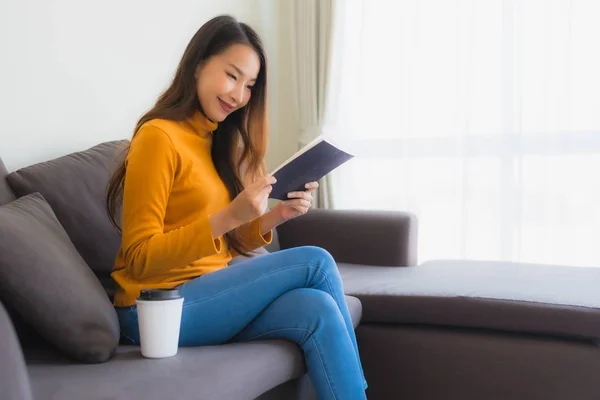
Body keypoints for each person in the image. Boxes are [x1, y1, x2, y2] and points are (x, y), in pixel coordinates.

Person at [105, 15, 367, 399]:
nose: (239, 95)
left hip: (207, 293)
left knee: (317, 310)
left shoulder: (214, 141)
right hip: (156, 311)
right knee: (316, 261)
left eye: (249, 85)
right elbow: (140, 258)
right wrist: (227, 216)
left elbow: (224, 242)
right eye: (232, 75)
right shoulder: (158, 137)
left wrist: (275, 215)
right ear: (197, 65)